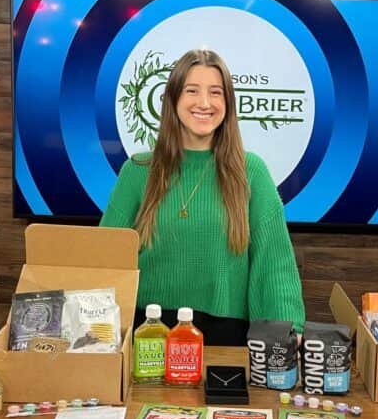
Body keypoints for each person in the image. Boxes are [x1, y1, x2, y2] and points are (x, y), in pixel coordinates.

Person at [100, 48, 305, 345]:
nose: (205, 103)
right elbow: (105, 259)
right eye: (192, 90)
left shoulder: (252, 171)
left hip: (225, 334)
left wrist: (287, 329)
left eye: (216, 92)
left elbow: (273, 261)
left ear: (228, 103)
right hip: (148, 332)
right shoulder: (137, 171)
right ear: (173, 99)